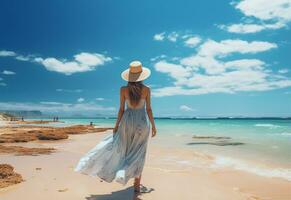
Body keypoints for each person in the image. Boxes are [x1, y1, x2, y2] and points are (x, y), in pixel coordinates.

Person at [74, 60, 157, 193]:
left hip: (126, 122)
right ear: (142, 75)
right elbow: (149, 110)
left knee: (122, 150)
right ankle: (134, 183)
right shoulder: (147, 90)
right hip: (142, 123)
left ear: (129, 76)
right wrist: (153, 126)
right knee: (138, 153)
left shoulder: (123, 89)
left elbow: (121, 110)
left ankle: (120, 172)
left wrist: (116, 125)